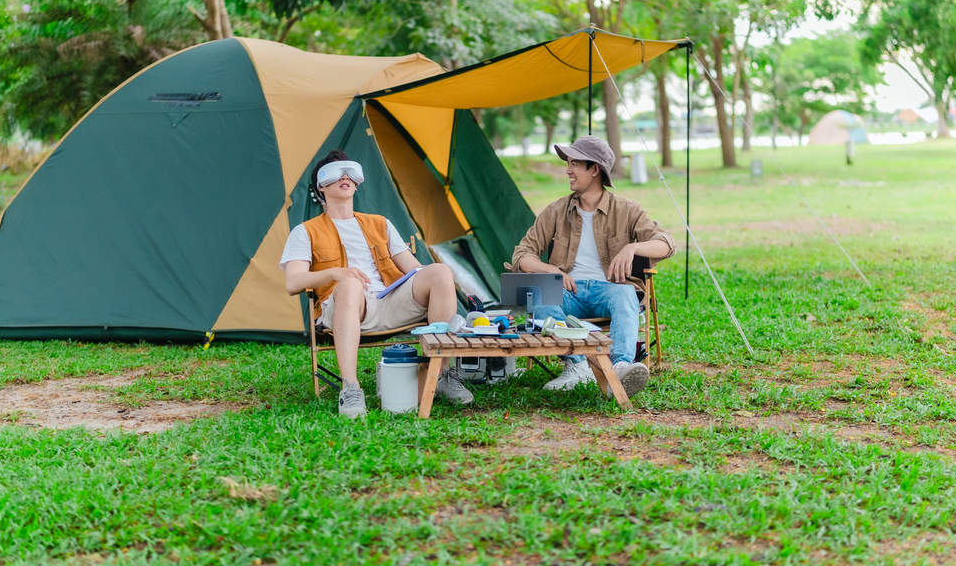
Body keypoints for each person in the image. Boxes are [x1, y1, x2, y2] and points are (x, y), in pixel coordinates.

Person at [282, 151, 473, 418]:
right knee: (350, 284)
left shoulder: (380, 223)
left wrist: (440, 285)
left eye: (350, 172)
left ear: (357, 182)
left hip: (390, 300)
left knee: (439, 271)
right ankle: (350, 388)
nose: (345, 177)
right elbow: (293, 282)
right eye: (336, 172)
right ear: (320, 186)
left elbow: (415, 269)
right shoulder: (305, 231)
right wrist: (335, 273)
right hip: (347, 307)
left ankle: (440, 374)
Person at [511, 136, 675, 396]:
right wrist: (551, 270)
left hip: (609, 290)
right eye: (569, 164)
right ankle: (578, 366)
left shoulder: (627, 210)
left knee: (626, 293)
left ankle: (620, 368)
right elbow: (522, 255)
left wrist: (632, 248)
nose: (568, 170)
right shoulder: (556, 211)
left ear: (594, 170)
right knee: (539, 295)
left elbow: (666, 243)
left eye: (574, 164)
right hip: (568, 292)